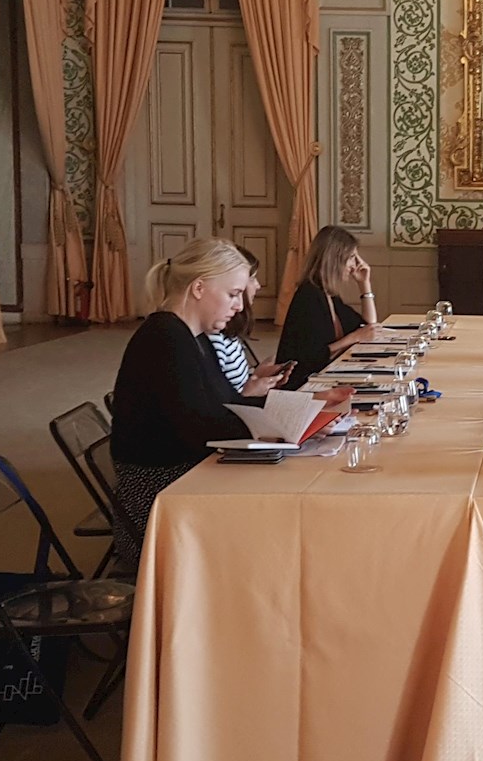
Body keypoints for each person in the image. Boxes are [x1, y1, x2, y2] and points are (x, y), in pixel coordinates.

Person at [106, 238, 259, 564]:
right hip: (159, 503)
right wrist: (279, 422)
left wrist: (297, 408)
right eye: (233, 294)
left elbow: (228, 404)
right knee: (270, 519)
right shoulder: (164, 338)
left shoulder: (192, 337)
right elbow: (201, 429)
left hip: (184, 480)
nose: (239, 306)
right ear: (199, 288)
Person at [276, 226, 381, 387]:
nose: (354, 265)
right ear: (335, 259)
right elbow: (311, 357)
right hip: (302, 386)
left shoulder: (328, 294)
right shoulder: (309, 296)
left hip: (322, 378)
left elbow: (368, 327)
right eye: (351, 257)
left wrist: (364, 284)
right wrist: (354, 338)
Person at [208, 246, 291, 398]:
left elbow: (234, 384)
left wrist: (258, 375)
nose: (258, 285)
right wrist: (249, 392)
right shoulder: (214, 339)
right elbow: (220, 402)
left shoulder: (228, 333)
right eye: (252, 278)